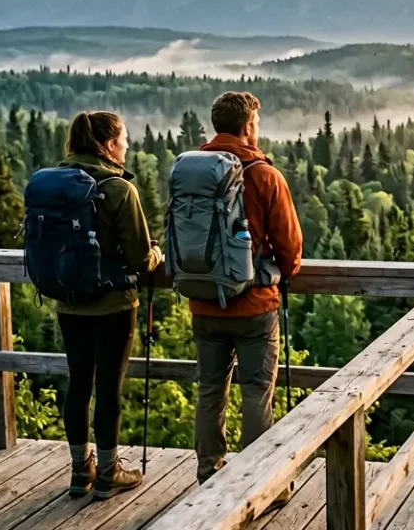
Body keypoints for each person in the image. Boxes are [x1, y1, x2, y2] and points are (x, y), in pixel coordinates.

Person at [190, 92, 303, 485]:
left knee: (209, 390)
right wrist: (283, 273)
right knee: (256, 391)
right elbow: (289, 245)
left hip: (204, 301)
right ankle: (256, 482)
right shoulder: (264, 175)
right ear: (247, 126)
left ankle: (208, 473)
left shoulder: (193, 172)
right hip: (254, 304)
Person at [55, 112, 163, 500]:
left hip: (68, 302)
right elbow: (139, 258)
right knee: (109, 388)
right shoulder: (119, 189)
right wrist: (156, 254)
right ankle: (107, 472)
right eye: (124, 140)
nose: (127, 146)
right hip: (114, 304)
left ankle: (79, 470)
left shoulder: (56, 183)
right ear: (109, 144)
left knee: (78, 384)